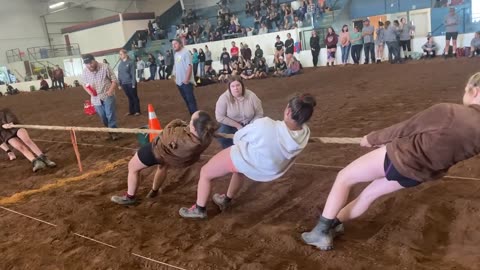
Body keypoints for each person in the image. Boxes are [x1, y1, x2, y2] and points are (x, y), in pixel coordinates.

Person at [302, 72, 480, 251]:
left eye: (467, 89)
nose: (464, 92)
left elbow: (406, 128)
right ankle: (334, 224)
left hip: (400, 157)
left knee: (344, 177)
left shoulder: (448, 111)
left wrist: (373, 138)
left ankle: (320, 232)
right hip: (418, 175)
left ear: (476, 91)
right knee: (368, 195)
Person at [179, 93, 316, 219]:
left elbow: (239, 137)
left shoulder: (266, 124)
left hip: (248, 159)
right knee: (239, 170)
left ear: (288, 111)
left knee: (205, 172)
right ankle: (226, 200)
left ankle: (199, 209)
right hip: (270, 169)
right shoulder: (305, 133)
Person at [111, 111, 219, 205]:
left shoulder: (178, 135)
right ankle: (154, 191)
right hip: (174, 158)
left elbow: (166, 131)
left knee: (132, 167)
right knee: (162, 167)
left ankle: (129, 197)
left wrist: (178, 122)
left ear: (194, 127)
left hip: (157, 151)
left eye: (191, 120)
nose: (189, 122)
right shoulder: (207, 137)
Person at [215, 77, 263, 149]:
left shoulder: (252, 96)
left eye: (238, 85)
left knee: (262, 131)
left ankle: (253, 151)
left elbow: (259, 113)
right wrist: (237, 125)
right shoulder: (223, 98)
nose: (236, 88)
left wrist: (251, 125)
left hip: (250, 123)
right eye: (233, 86)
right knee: (222, 133)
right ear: (229, 88)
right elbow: (219, 116)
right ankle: (230, 150)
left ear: (242, 86)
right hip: (231, 125)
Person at [81, 54, 120, 140]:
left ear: (94, 60)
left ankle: (114, 132)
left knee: (110, 114)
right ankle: (110, 130)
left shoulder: (105, 67)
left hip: (107, 95)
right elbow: (84, 84)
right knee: (103, 116)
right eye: (87, 64)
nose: (89, 65)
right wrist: (89, 92)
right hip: (95, 98)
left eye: (91, 63)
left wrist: (110, 90)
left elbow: (114, 80)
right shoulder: (85, 71)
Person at [172, 39, 198, 115]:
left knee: (191, 100)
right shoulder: (176, 54)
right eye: (172, 44)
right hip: (179, 82)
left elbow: (189, 66)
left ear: (180, 44)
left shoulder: (186, 52)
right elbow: (176, 66)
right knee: (186, 100)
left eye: (175, 43)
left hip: (186, 82)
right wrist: (174, 76)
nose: (174, 46)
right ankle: (192, 116)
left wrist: (186, 79)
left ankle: (195, 117)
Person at [118, 49, 140, 116]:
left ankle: (137, 111)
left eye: (121, 54)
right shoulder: (120, 64)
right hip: (124, 83)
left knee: (134, 97)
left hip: (130, 83)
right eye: (120, 54)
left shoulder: (131, 62)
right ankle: (131, 111)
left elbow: (133, 73)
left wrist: (133, 83)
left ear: (125, 54)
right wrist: (119, 83)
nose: (120, 55)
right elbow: (119, 74)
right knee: (129, 97)